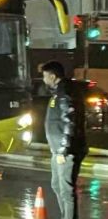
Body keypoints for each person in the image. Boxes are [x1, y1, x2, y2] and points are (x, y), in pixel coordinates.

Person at [42, 61, 87, 219]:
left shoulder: (65, 92)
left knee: (66, 190)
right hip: (58, 150)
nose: (43, 80)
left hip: (66, 151)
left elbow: (69, 121)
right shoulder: (58, 92)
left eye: (45, 76)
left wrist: (63, 149)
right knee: (56, 185)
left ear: (53, 76)